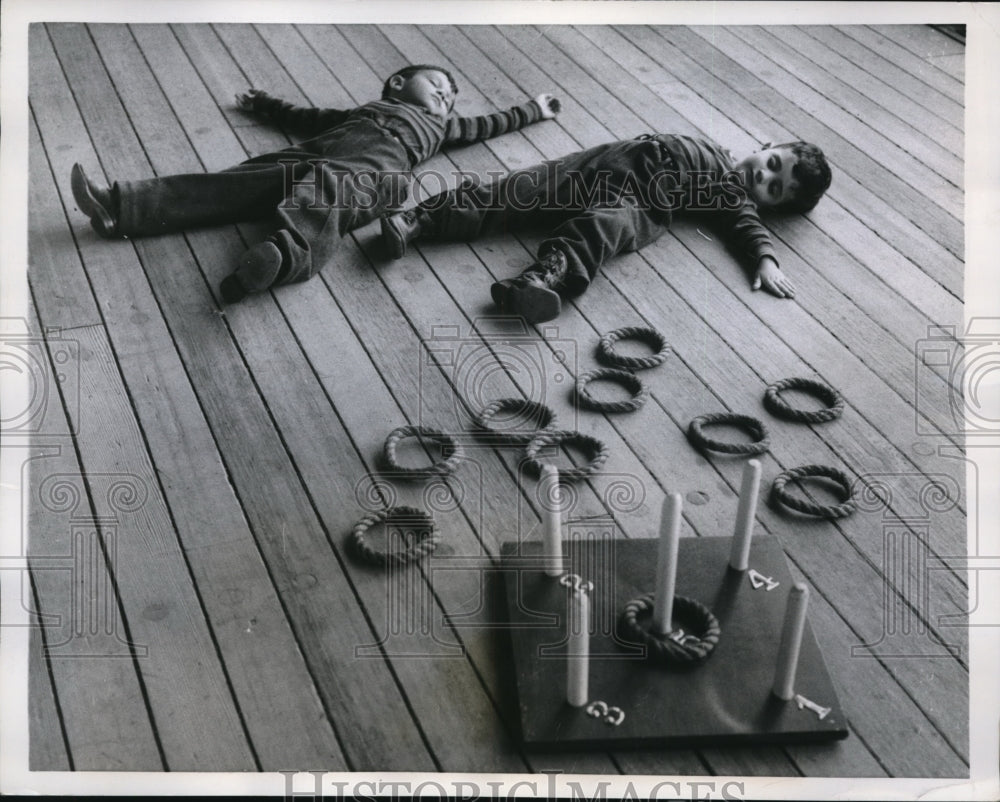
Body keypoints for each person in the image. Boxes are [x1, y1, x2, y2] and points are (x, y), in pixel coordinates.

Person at [70, 64, 560, 303]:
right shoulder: (364, 110)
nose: (446, 94)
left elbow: (488, 124)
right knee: (245, 179)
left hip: (380, 172)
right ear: (395, 84)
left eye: (450, 96)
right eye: (437, 82)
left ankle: (284, 256)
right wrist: (264, 103)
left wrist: (532, 110)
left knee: (327, 190)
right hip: (326, 148)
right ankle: (122, 207)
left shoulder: (443, 126)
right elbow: (308, 117)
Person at [379, 134, 832, 322]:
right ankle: (419, 220)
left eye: (775, 188)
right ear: (767, 146)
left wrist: (767, 260)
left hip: (643, 202)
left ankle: (541, 278)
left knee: (604, 227)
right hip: (607, 162)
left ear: (770, 204)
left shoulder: (734, 197)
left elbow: (746, 228)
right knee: (519, 190)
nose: (763, 177)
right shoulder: (710, 146)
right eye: (773, 164)